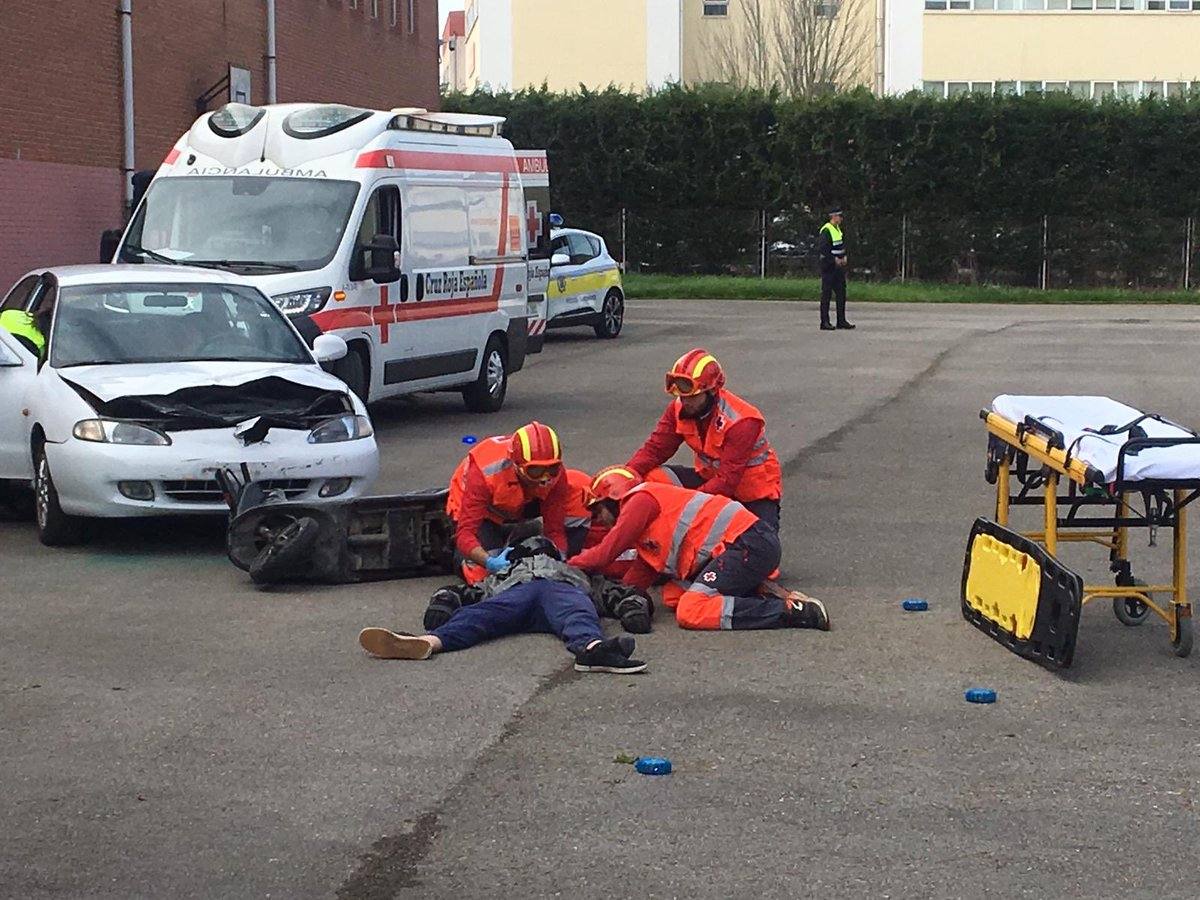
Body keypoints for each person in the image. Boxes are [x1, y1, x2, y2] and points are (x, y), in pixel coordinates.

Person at [568, 467, 830, 633]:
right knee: (672, 596)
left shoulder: (639, 501)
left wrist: (566, 565)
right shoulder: (645, 530)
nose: (597, 519)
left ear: (612, 496)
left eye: (596, 509)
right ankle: (762, 591)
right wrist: (608, 600)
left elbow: (606, 552)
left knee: (691, 610)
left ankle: (791, 613)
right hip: (745, 547)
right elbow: (633, 581)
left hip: (748, 544)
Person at [359, 536, 648, 674]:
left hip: (558, 590)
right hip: (517, 593)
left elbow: (615, 592)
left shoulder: (572, 570)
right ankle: (427, 643)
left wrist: (633, 607)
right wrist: (444, 603)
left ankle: (592, 651)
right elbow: (465, 593)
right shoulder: (506, 571)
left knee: (578, 613)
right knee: (479, 616)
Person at [624, 348, 783, 532]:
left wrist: (685, 508)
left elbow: (727, 481)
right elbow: (655, 450)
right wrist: (626, 476)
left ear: (712, 391)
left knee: (762, 550)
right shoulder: (678, 409)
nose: (685, 402)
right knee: (651, 479)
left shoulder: (742, 421)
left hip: (752, 496)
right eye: (681, 397)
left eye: (692, 397)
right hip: (710, 481)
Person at [446, 421, 586, 583]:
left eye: (552, 469)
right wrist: (489, 562)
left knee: (580, 490)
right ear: (517, 466)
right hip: (481, 510)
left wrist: (558, 560)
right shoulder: (483, 473)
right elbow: (465, 534)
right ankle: (461, 558)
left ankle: (514, 532)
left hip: (521, 501)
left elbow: (554, 529)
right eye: (536, 471)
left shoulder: (556, 475)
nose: (545, 478)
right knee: (484, 578)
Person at [817, 208, 854, 331]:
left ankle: (841, 320)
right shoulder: (826, 230)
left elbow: (841, 245)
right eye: (839, 216)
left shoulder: (837, 229)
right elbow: (824, 249)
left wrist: (844, 257)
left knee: (841, 294)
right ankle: (825, 322)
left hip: (839, 267)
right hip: (829, 267)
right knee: (826, 294)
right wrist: (834, 260)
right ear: (833, 216)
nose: (841, 218)